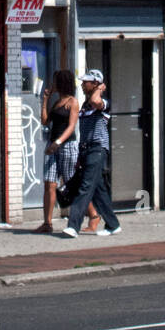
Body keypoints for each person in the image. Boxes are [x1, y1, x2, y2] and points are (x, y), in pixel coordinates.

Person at [36, 69, 98, 233]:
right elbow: (45, 121)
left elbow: (71, 127)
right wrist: (45, 100)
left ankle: (93, 215)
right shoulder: (57, 103)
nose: (53, 84)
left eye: (56, 81)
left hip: (66, 146)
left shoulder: (73, 102)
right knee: (49, 183)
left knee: (71, 184)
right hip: (52, 146)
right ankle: (47, 223)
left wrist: (58, 142)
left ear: (62, 83)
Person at [63, 69, 122, 238]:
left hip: (97, 149)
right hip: (86, 150)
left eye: (86, 82)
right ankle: (113, 224)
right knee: (98, 190)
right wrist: (80, 156)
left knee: (85, 187)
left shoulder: (103, 102)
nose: (82, 85)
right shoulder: (84, 105)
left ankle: (73, 226)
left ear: (95, 83)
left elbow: (97, 100)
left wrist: (99, 89)